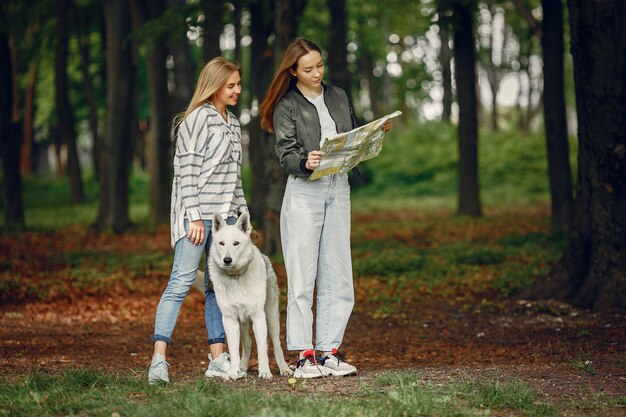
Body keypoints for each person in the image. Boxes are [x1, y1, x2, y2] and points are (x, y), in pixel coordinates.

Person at [259, 38, 392, 378]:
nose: (316, 73)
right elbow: (285, 154)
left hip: (339, 187)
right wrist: (306, 159)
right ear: (293, 71)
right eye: (308, 69)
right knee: (304, 275)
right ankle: (304, 355)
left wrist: (373, 133)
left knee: (338, 272)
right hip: (306, 191)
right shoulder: (287, 105)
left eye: (319, 65)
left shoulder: (338, 95)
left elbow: (351, 136)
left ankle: (329, 350)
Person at [148, 57, 248, 383]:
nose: (237, 90)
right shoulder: (196, 119)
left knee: (217, 288)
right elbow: (186, 171)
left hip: (226, 218)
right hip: (196, 217)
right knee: (180, 282)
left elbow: (236, 178)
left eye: (238, 84)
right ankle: (158, 361)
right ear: (215, 85)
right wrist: (193, 216)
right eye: (230, 85)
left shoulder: (233, 123)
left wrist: (243, 218)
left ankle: (218, 360)